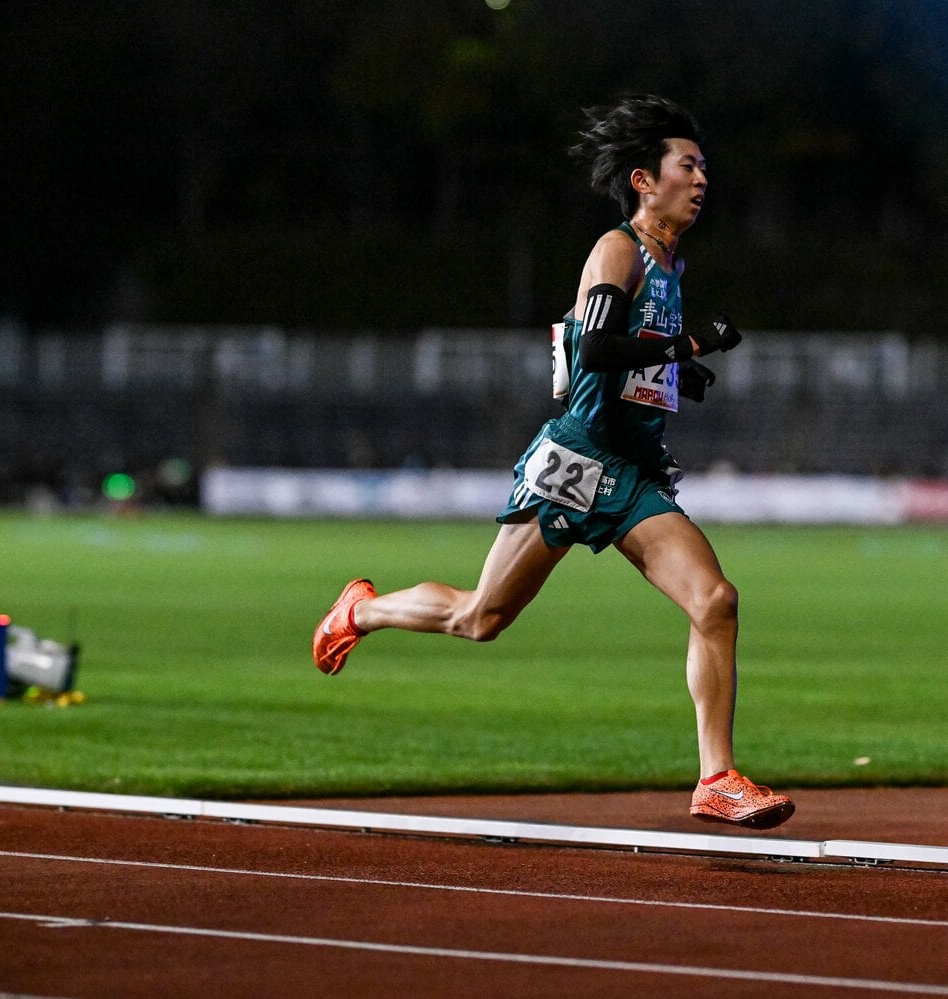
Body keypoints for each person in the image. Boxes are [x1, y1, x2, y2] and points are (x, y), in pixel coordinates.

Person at [312, 95, 794, 830]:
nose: (702, 180)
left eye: (704, 168)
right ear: (644, 180)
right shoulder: (618, 249)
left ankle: (716, 778)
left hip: (634, 471)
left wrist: (676, 373)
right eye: (687, 166)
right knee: (481, 617)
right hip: (577, 459)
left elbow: (609, 353)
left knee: (715, 601)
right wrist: (690, 345)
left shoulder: (669, 262)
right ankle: (361, 610)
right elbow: (595, 348)